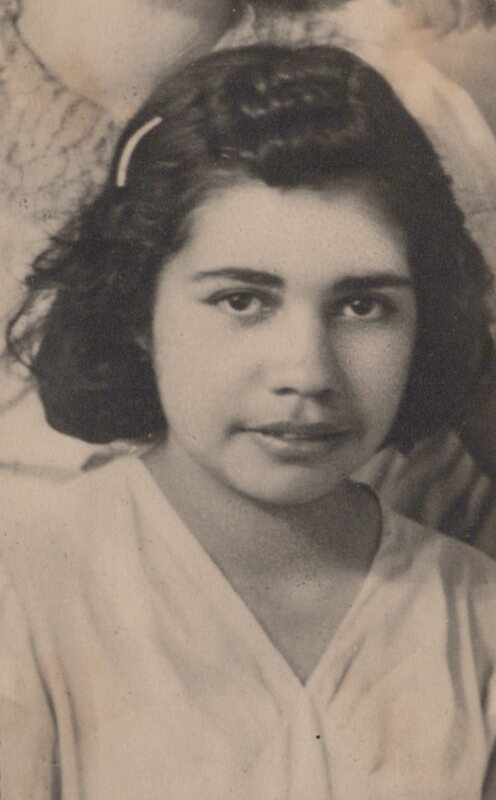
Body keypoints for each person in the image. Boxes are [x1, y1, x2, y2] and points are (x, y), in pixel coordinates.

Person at [2, 44, 496, 798]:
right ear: (139, 309)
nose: (307, 371)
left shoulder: (477, 616)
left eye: (363, 305)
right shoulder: (25, 593)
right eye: (243, 300)